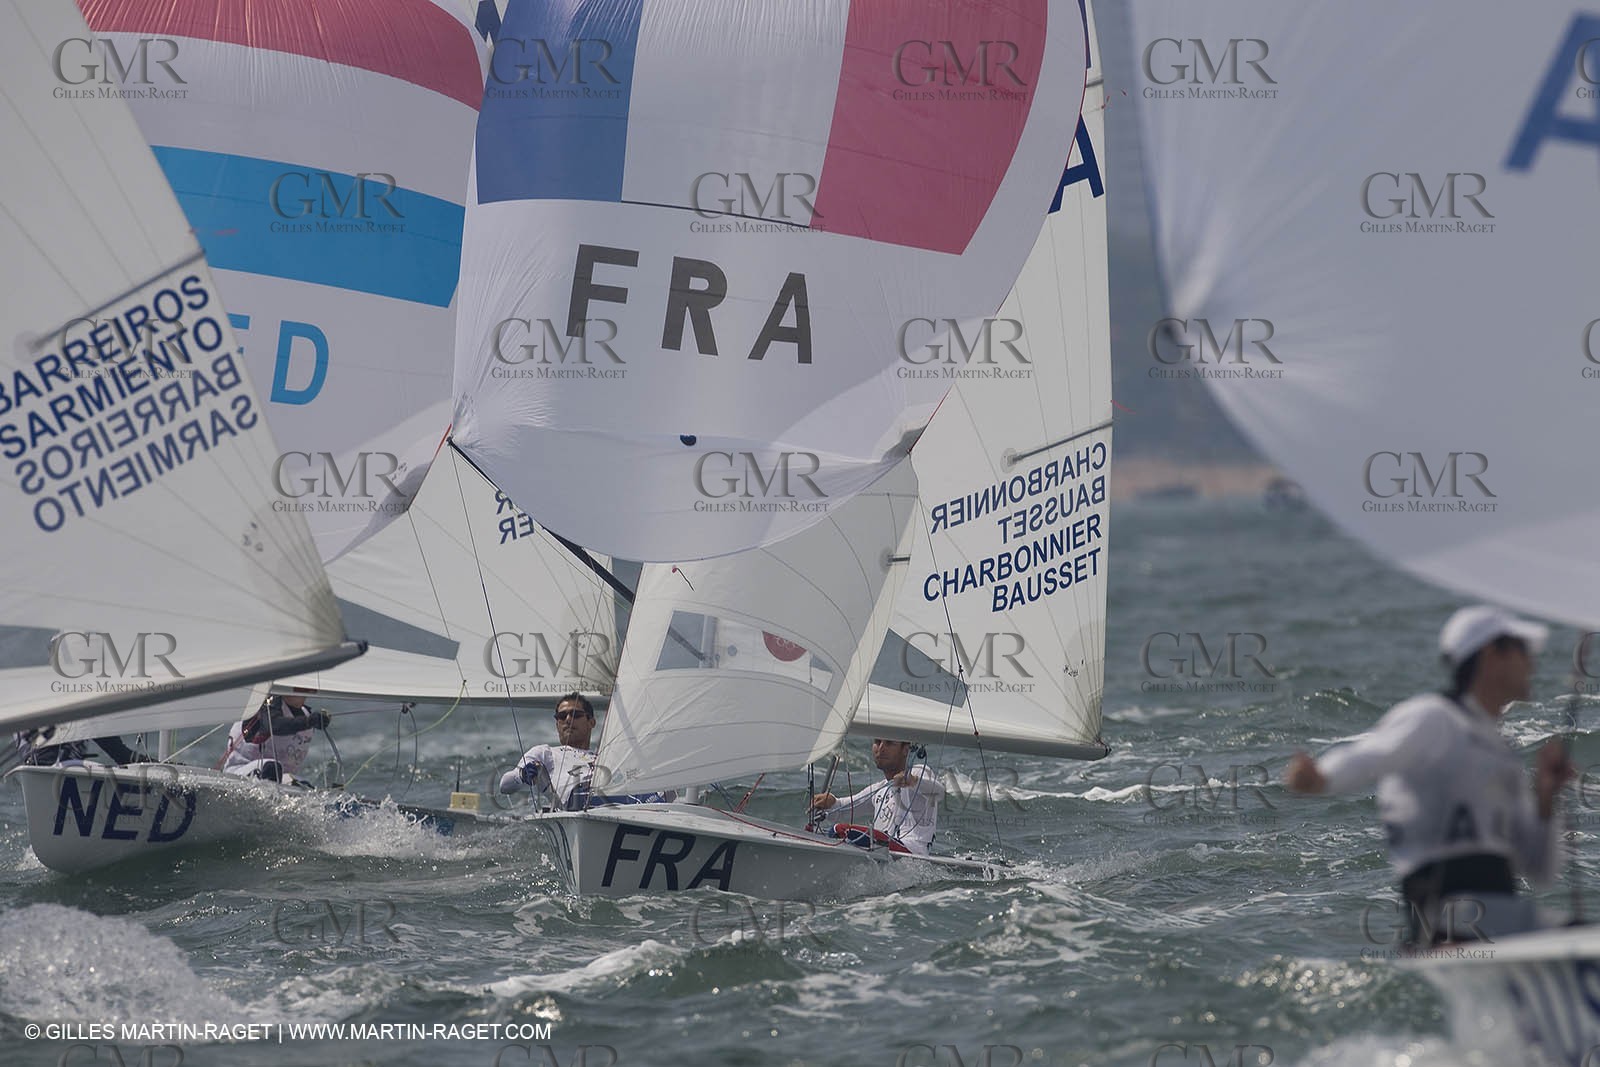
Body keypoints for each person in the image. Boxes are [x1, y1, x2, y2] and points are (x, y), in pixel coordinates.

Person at [1285, 605, 1575, 945]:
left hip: (1497, 920)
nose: (1532, 663)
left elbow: (1541, 871)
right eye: (1523, 651)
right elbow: (1370, 755)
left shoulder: (1501, 750)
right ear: (1490, 655)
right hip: (1449, 922)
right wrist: (1322, 778)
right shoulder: (1433, 718)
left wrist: (1545, 799)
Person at [809, 738, 944, 855]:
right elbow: (844, 808)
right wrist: (831, 802)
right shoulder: (878, 789)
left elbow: (938, 792)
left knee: (840, 830)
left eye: (889, 743)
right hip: (885, 850)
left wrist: (913, 781)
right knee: (822, 832)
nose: (881, 748)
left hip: (912, 850)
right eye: (877, 742)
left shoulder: (919, 772)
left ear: (905, 749)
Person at [222, 687, 331, 783]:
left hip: (283, 778)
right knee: (272, 767)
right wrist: (308, 722)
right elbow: (273, 725)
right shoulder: (265, 704)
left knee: (304, 785)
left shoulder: (306, 713)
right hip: (241, 771)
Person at [15, 729, 150, 767]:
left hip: (64, 770)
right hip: (38, 766)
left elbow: (122, 755)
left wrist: (158, 765)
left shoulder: (88, 713)